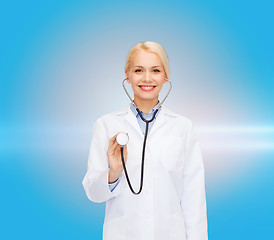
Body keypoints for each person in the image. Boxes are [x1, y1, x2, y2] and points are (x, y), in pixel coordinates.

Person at [82, 41, 208, 240]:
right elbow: (93, 193)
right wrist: (113, 173)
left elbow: (194, 200)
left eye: (156, 70)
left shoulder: (183, 127)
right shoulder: (105, 125)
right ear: (128, 75)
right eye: (139, 70)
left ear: (165, 76)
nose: (147, 78)